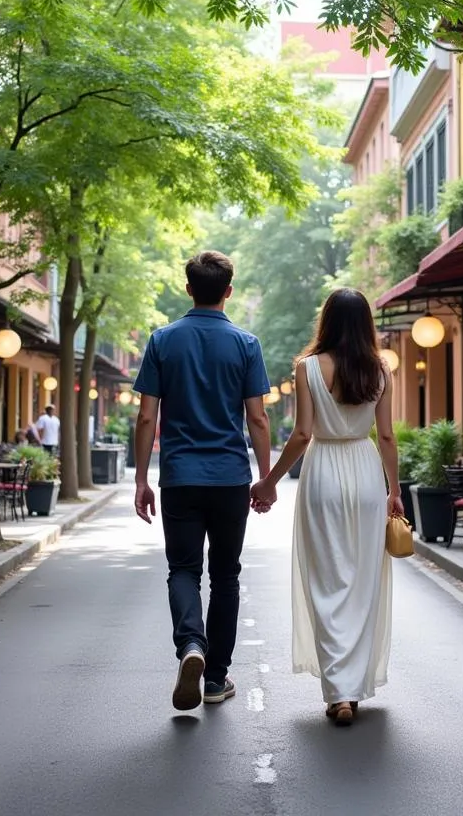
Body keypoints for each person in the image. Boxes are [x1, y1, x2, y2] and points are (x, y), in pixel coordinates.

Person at [250, 288, 401, 727]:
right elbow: (387, 436)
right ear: (366, 323)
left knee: (326, 579)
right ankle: (350, 686)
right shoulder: (380, 369)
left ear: (327, 321)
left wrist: (268, 482)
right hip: (366, 471)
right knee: (362, 581)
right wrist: (394, 490)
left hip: (323, 473)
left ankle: (339, 693)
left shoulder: (308, 368)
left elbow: (301, 435)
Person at [133, 251, 272, 711]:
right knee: (226, 575)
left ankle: (191, 644)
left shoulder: (162, 340)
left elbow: (146, 417)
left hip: (179, 477)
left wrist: (141, 480)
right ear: (228, 291)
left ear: (188, 288)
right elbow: (258, 419)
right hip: (230, 477)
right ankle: (215, 679)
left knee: (184, 570)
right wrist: (266, 478)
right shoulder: (246, 344)